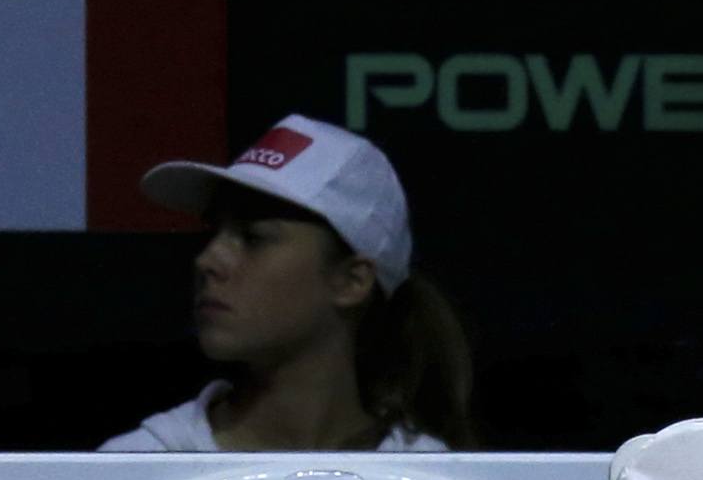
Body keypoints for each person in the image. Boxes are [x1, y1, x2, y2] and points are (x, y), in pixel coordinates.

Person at [100, 115, 473, 452]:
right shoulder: (133, 469)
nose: (207, 260)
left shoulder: (433, 479)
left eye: (253, 237)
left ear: (352, 281)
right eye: (214, 232)